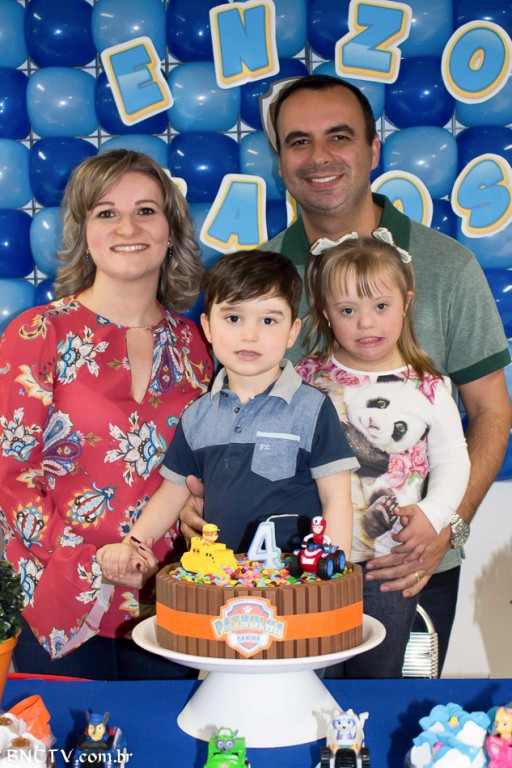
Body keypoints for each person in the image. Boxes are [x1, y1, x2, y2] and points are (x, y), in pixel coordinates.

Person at [180, 74, 511, 674]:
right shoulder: (256, 279)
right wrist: (192, 497)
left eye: (339, 136)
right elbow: (225, 417)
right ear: (280, 160)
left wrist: (448, 523)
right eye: (298, 141)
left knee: (391, 714)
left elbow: (490, 411)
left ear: (373, 148)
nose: (319, 157)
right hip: (284, 569)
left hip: (408, 566)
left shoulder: (448, 266)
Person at [0, 149, 213, 679]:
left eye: (146, 211)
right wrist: (91, 563)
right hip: (57, 598)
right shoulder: (38, 332)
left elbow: (201, 464)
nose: (127, 227)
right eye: (106, 212)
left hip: (168, 601)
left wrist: (200, 508)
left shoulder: (196, 344)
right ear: (84, 230)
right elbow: (11, 475)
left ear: (171, 229)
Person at [96, 249, 358, 580]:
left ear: (292, 331)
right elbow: (172, 493)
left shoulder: (313, 408)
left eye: (268, 320)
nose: (249, 335)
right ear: (207, 326)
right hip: (219, 584)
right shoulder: (197, 417)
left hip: (295, 587)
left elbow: (337, 499)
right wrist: (133, 544)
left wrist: (331, 579)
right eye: (233, 318)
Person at [296, 230, 470, 676]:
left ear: (406, 303)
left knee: (379, 679)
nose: (366, 323)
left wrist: (433, 513)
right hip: (313, 565)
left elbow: (453, 456)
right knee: (311, 677)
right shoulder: (306, 379)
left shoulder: (428, 386)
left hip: (390, 565)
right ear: (325, 312)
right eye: (348, 310)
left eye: (380, 306)